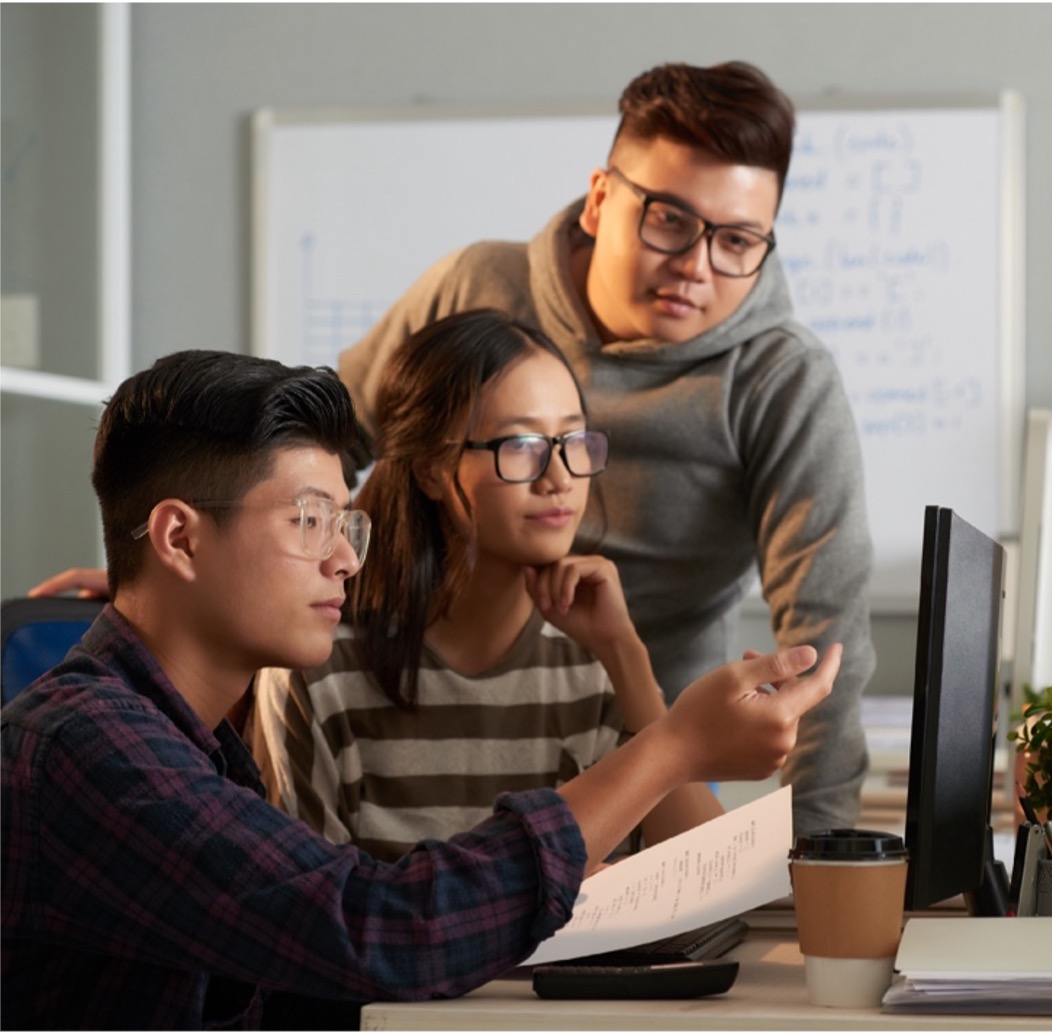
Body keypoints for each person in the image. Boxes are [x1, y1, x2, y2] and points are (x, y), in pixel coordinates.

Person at [1, 349, 838, 1029]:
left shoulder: (190, 740)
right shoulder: (87, 747)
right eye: (307, 520)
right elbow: (378, 928)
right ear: (179, 537)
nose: (345, 557)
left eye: (345, 521)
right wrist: (670, 748)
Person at [335, 60, 875, 836]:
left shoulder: (781, 379)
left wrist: (825, 854)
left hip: (644, 739)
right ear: (599, 200)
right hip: (427, 718)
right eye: (668, 219)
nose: (696, 265)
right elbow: (328, 433)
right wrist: (213, 570)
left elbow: (827, 641)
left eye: (738, 240)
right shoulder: (476, 286)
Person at [250, 309, 721, 862]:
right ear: (429, 466)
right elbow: (313, 914)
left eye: (572, 438)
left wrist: (625, 654)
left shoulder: (592, 662)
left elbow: (708, 870)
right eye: (521, 444)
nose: (560, 478)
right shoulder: (320, 663)